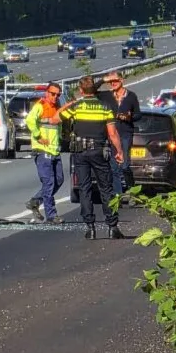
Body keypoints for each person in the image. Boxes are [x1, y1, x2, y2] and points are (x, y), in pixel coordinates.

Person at [59, 76, 126, 240]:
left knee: (84, 188)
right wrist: (119, 151)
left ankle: (90, 227)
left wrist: (69, 104)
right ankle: (112, 226)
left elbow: (55, 119)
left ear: (81, 90)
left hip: (80, 152)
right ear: (94, 90)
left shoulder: (76, 107)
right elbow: (112, 133)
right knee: (106, 188)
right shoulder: (105, 107)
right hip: (99, 151)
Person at [25, 83, 65, 223]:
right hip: (42, 151)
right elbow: (30, 120)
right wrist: (37, 136)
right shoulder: (40, 105)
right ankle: (51, 215)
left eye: (58, 94)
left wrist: (61, 140)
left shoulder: (57, 108)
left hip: (54, 150)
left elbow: (57, 128)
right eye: (53, 94)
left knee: (59, 180)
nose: (55, 97)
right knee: (49, 182)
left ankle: (35, 201)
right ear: (47, 93)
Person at [98, 72, 141, 199]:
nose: (113, 83)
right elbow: (91, 90)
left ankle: (133, 192)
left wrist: (129, 117)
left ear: (122, 80)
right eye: (110, 81)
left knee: (125, 165)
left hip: (125, 134)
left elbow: (138, 114)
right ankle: (118, 195)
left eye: (115, 80)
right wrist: (103, 79)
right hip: (111, 134)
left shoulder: (131, 96)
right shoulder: (107, 96)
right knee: (114, 167)